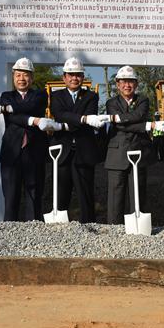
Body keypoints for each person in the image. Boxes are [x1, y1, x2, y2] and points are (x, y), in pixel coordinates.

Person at [0, 58, 55, 221]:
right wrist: (33, 120)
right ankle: (9, 232)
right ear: (13, 77)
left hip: (35, 151)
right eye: (18, 75)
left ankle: (35, 233)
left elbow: (30, 108)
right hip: (11, 153)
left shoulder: (40, 94)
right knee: (10, 198)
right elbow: (12, 119)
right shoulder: (5, 96)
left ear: (31, 78)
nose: (21, 79)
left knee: (35, 196)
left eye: (25, 75)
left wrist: (11, 109)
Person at [48, 58, 101, 223]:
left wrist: (69, 121)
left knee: (85, 194)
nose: (74, 78)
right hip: (62, 152)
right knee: (61, 194)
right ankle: (60, 229)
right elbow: (58, 114)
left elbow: (68, 116)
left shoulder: (92, 96)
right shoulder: (56, 95)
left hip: (84, 151)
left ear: (83, 77)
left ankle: (89, 227)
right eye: (70, 75)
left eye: (78, 75)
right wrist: (83, 119)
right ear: (64, 77)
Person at [104, 66, 155, 224]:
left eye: (131, 82)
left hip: (139, 152)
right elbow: (121, 125)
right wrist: (145, 126)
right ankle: (114, 229)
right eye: (123, 82)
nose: (127, 85)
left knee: (138, 194)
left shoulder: (143, 100)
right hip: (117, 154)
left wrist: (120, 119)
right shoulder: (111, 103)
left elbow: (138, 115)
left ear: (136, 84)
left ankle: (138, 228)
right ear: (118, 84)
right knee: (115, 197)